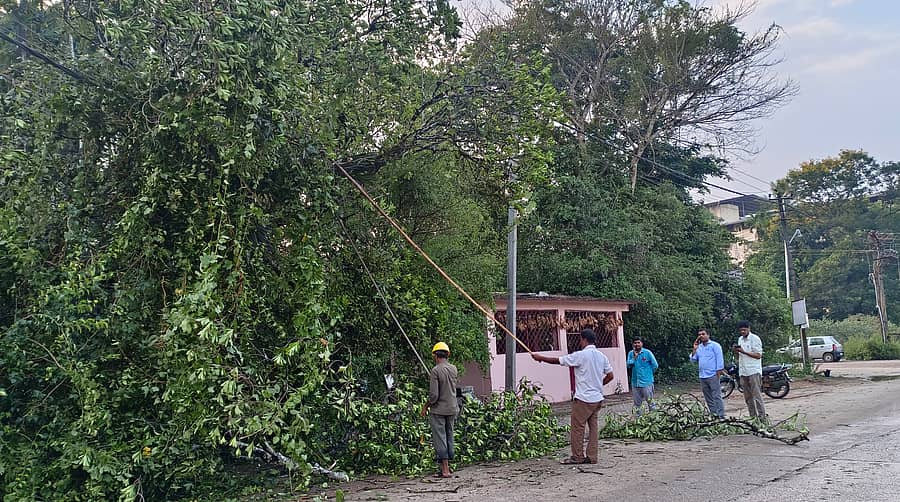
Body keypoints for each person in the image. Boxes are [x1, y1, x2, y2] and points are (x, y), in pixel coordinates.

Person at [531, 328, 614, 465]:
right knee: (593, 429)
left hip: (583, 399)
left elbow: (559, 360)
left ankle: (577, 457)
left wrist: (540, 358)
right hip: (597, 398)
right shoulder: (602, 356)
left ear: (584, 339)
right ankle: (592, 457)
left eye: (581, 340)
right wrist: (599, 385)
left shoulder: (581, 355)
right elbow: (610, 376)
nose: (580, 342)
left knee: (577, 428)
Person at [421, 341, 459, 478]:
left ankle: (445, 470)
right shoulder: (454, 368)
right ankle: (448, 467)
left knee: (440, 438)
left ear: (436, 356)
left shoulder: (435, 370)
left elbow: (434, 395)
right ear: (447, 355)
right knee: (449, 436)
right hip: (453, 408)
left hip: (439, 410)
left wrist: (426, 406)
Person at [733, 320, 766, 420]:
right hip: (743, 371)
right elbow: (739, 355)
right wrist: (736, 351)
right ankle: (753, 418)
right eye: (741, 330)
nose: (743, 332)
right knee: (748, 397)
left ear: (748, 329)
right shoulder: (740, 340)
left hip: (753, 370)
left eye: (744, 330)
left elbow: (758, 355)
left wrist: (744, 351)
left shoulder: (755, 339)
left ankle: (762, 417)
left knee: (757, 395)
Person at [690, 329, 725, 418]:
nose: (701, 336)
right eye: (699, 334)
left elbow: (719, 359)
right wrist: (694, 349)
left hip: (713, 374)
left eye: (703, 334)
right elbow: (693, 359)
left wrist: (718, 372)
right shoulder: (699, 347)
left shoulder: (715, 346)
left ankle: (721, 415)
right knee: (708, 397)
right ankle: (713, 415)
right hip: (702, 375)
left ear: (708, 335)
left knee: (716, 396)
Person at [626, 336, 659, 415]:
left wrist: (648, 374)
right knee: (637, 404)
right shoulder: (631, 353)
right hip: (635, 383)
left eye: (638, 342)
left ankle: (654, 419)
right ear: (633, 344)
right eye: (635, 343)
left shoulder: (647, 353)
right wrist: (634, 358)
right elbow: (628, 365)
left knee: (650, 402)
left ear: (642, 343)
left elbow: (655, 365)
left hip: (647, 383)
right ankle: (639, 421)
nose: (637, 344)